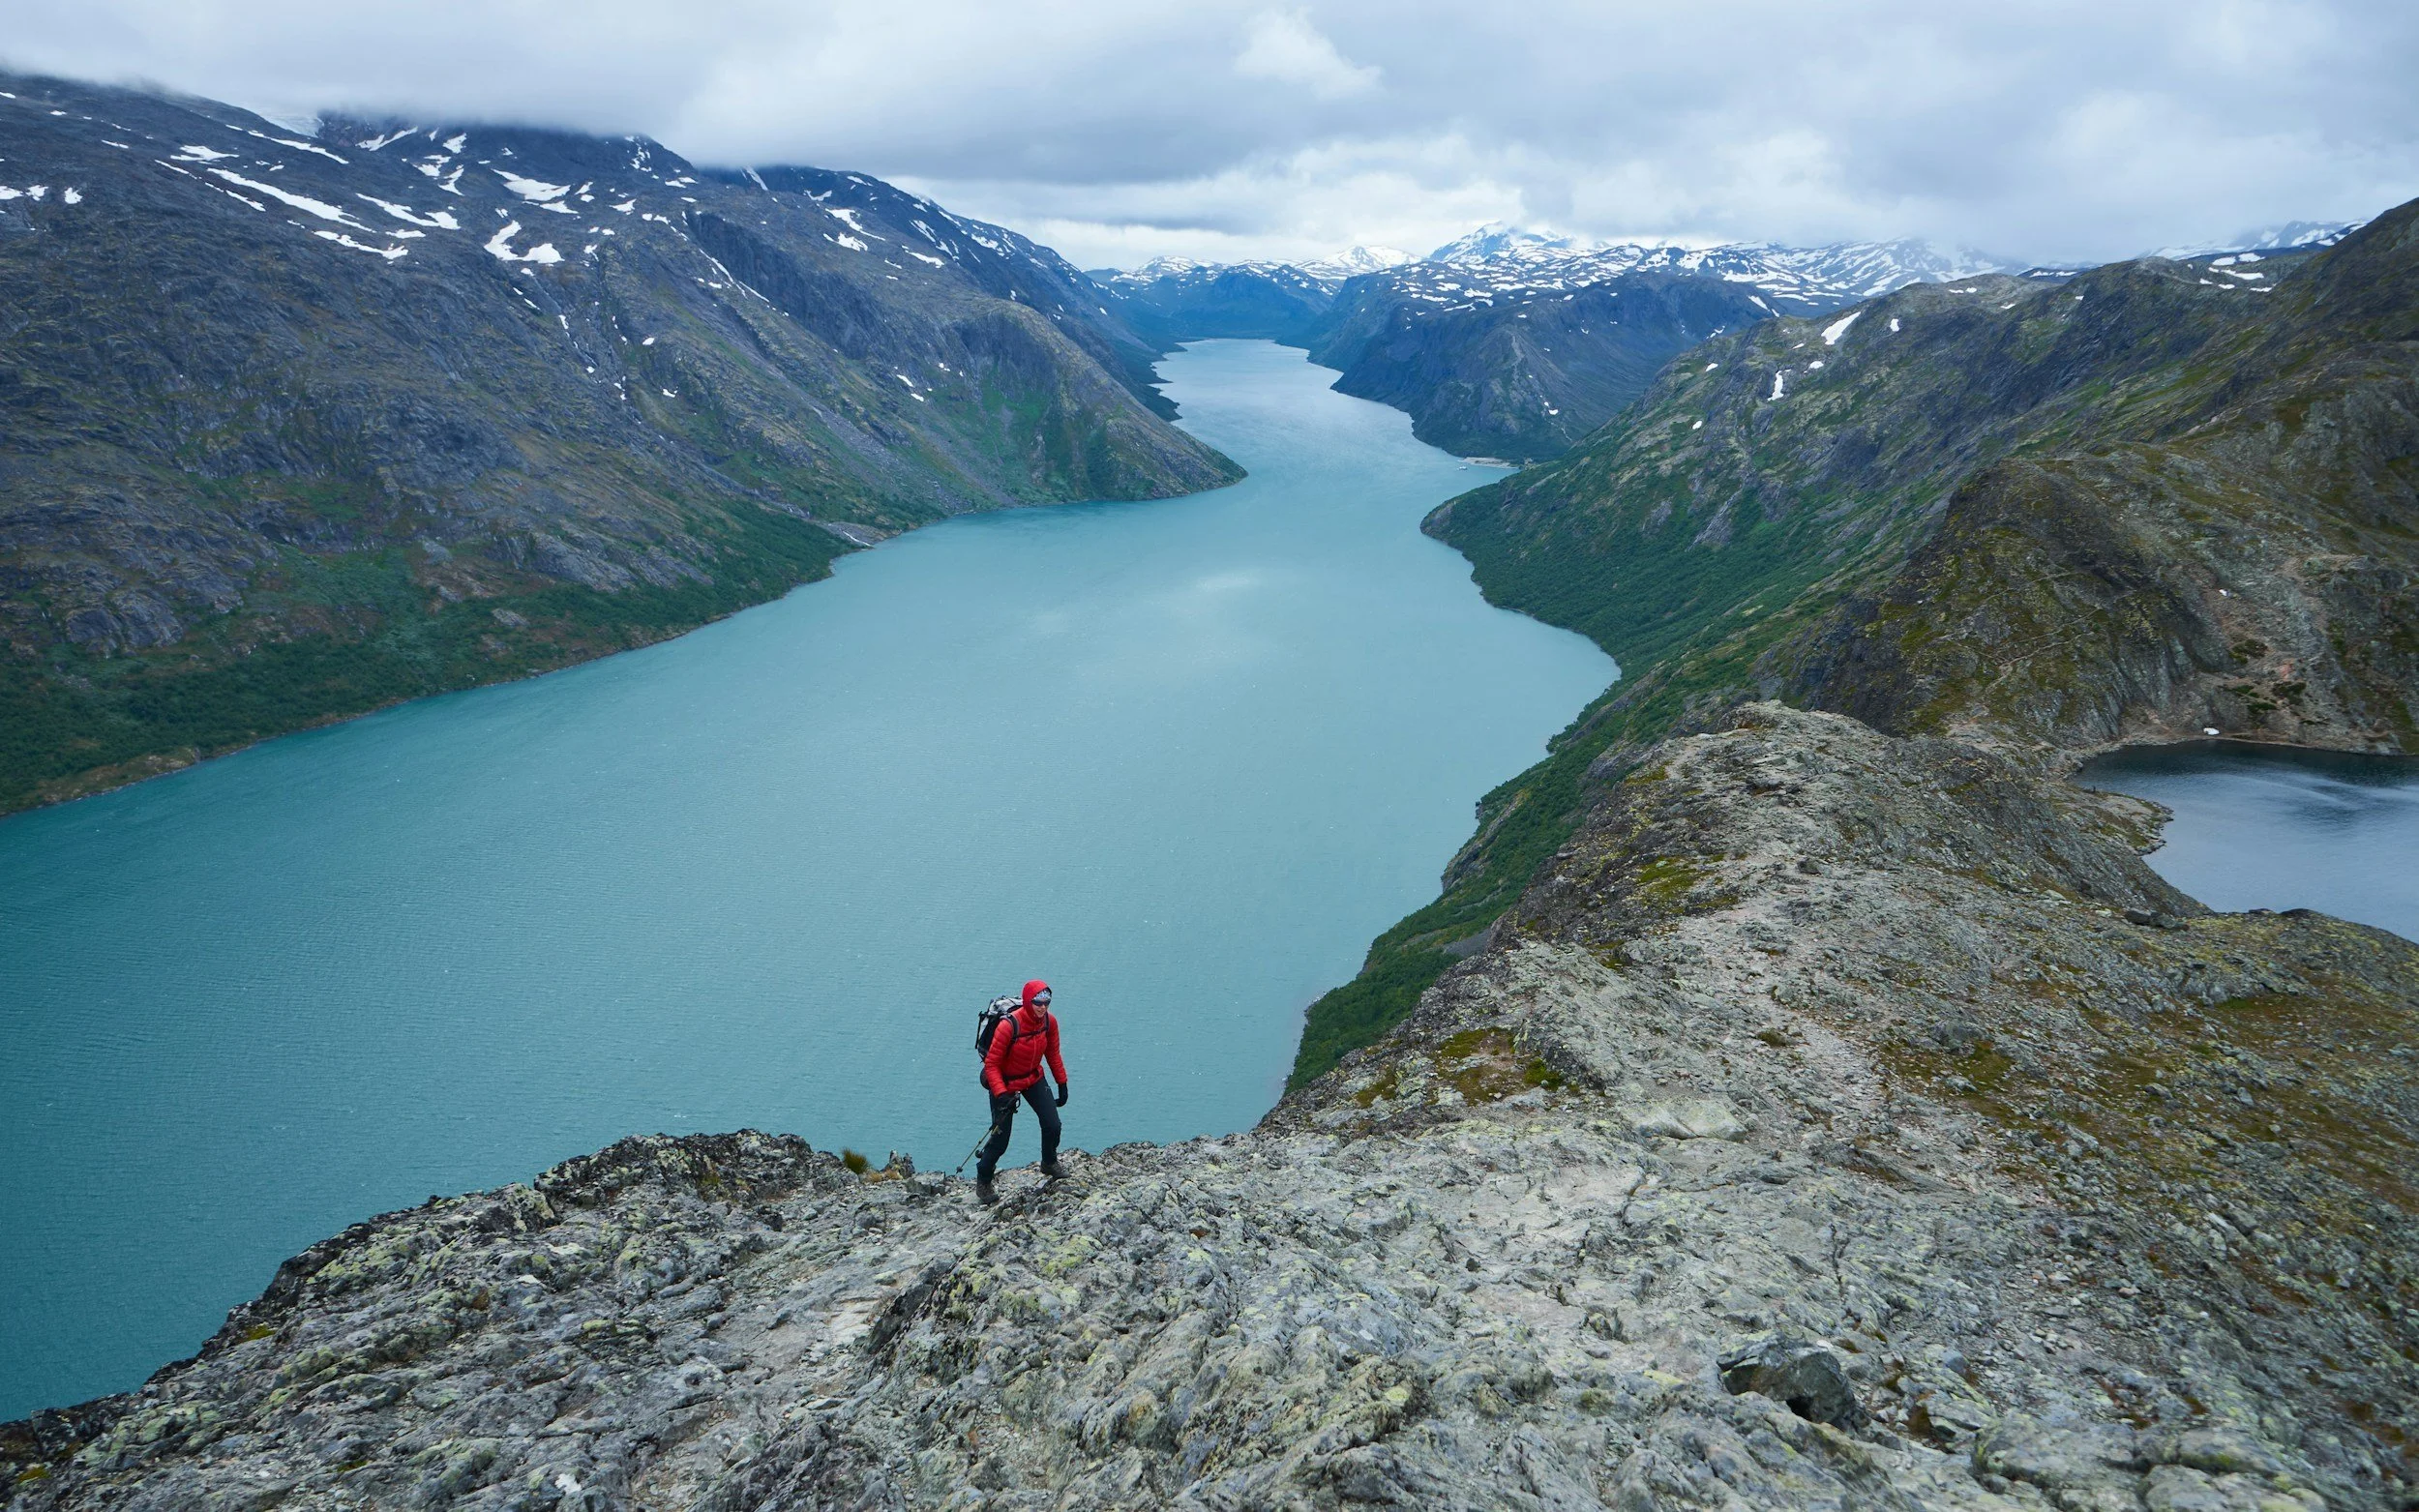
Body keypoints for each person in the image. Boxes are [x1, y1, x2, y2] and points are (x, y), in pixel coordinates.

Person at [974, 979, 1068, 1204]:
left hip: (1033, 1078)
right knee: (1000, 1140)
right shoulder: (1009, 1026)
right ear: (1028, 1001)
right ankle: (984, 1179)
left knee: (1052, 1124)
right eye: (1037, 1002)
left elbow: (1053, 1054)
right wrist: (1001, 1093)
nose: (1042, 1007)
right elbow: (992, 1064)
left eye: (1046, 1003)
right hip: (1005, 1083)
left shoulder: (1049, 1022)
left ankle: (1049, 1162)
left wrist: (1062, 1084)